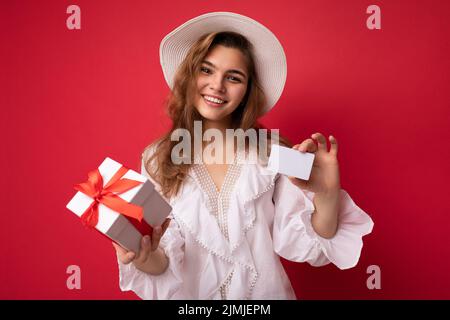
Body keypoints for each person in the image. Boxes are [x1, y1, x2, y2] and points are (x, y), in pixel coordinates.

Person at [112, 12, 374, 299]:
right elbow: (163, 263)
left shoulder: (276, 152)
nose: (217, 85)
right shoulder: (157, 158)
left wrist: (326, 194)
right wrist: (142, 256)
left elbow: (310, 247)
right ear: (189, 75)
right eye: (206, 70)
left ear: (248, 89)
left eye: (233, 77)